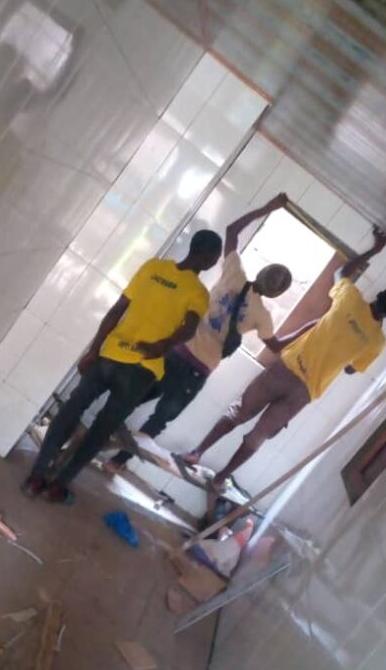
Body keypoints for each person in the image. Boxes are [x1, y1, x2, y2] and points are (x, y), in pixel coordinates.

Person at [181, 227, 386, 498]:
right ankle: (220, 479)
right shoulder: (377, 342)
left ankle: (196, 453)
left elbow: (341, 272)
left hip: (286, 367)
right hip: (306, 390)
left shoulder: (349, 298)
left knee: (238, 412)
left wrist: (373, 250)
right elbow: (351, 369)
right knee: (258, 437)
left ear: (379, 294)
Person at [21, 229, 223, 501]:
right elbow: (188, 330)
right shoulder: (198, 293)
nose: (214, 261)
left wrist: (94, 350)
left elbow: (118, 309)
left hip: (110, 356)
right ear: (209, 257)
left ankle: (36, 478)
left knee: (70, 411)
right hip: (142, 369)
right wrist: (162, 346)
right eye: (215, 257)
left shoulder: (153, 267)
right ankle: (59, 485)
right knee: (101, 430)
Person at [108, 193, 293, 470]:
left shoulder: (234, 273)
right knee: (158, 421)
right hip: (198, 369)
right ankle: (115, 463)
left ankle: (92, 439)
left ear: (262, 272)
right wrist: (311, 327)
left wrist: (267, 208)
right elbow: (276, 346)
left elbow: (232, 230)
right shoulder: (263, 317)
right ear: (276, 293)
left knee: (131, 397)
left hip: (176, 349)